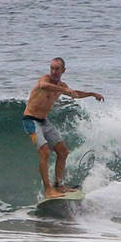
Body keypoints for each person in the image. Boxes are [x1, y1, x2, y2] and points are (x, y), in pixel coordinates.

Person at [22, 57, 104, 198]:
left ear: (63, 70)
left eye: (57, 69)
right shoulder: (45, 80)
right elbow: (43, 85)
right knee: (45, 152)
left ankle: (59, 186)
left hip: (44, 121)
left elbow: (76, 94)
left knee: (63, 152)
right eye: (52, 68)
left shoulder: (62, 86)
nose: (54, 71)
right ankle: (48, 191)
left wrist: (92, 94)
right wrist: (64, 89)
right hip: (30, 120)